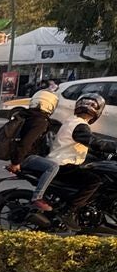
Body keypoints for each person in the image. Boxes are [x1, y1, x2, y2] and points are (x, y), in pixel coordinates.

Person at [10, 92, 106, 221]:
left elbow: (82, 143)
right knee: (95, 180)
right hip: (63, 165)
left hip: (59, 161)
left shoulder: (72, 121)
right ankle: (69, 211)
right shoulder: (79, 125)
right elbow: (93, 141)